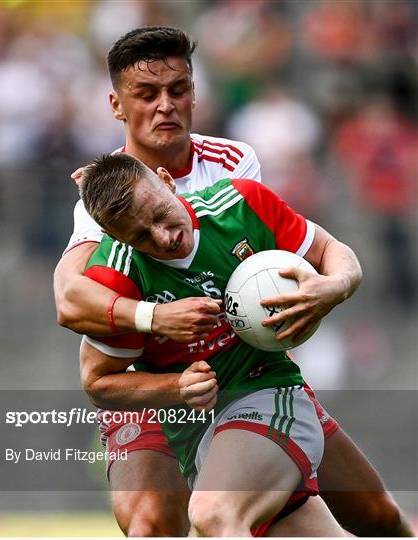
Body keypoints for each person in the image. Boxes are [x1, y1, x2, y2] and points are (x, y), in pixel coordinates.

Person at [53, 26, 413, 537]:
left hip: (243, 367)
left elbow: (258, 272)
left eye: (177, 90)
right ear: (116, 104)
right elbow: (71, 301)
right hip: (155, 381)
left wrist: (324, 291)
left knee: (371, 513)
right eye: (147, 94)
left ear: (194, 92)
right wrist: (156, 317)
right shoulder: (106, 209)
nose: (165, 106)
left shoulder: (233, 168)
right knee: (154, 522)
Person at [77, 151, 360, 536]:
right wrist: (175, 387)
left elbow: (334, 253)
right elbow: (97, 383)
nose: (164, 237)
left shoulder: (241, 205)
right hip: (199, 438)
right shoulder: (117, 277)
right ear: (116, 237)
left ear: (167, 180)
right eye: (141, 235)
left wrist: (333, 286)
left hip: (267, 393)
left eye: (161, 214)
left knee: (213, 514)